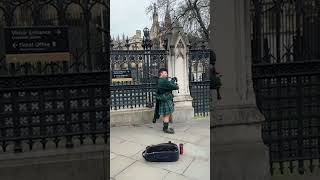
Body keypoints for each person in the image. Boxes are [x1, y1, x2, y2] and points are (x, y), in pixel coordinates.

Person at [154, 68, 179, 134]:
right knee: (167, 115)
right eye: (165, 73)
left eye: (166, 73)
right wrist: (174, 83)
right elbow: (175, 87)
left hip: (163, 99)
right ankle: (165, 129)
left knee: (165, 115)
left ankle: (165, 127)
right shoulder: (163, 81)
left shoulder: (159, 80)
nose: (166, 74)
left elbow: (167, 86)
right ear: (161, 73)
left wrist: (171, 82)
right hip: (166, 100)